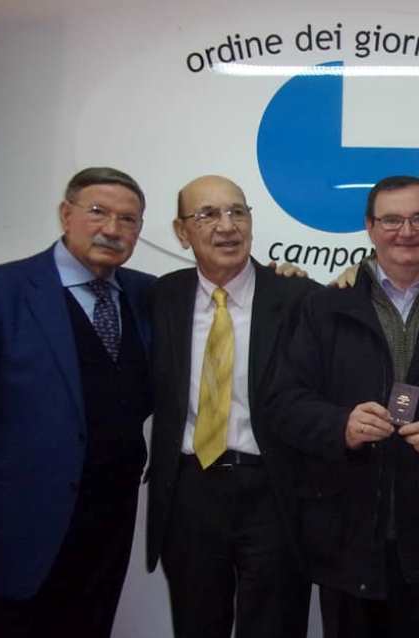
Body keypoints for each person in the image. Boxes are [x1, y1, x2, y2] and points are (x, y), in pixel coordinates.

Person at [265, 175, 419, 638]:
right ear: (370, 227)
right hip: (346, 530)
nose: (407, 232)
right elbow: (284, 401)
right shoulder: (323, 305)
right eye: (392, 220)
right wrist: (340, 425)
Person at [0, 167, 155, 637]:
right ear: (65, 214)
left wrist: (285, 277)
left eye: (128, 219)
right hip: (16, 541)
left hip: (108, 532)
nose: (112, 229)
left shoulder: (148, 295)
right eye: (97, 212)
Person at [146, 175, 317, 638]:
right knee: (196, 624)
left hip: (274, 491)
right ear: (182, 232)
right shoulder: (162, 297)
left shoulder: (299, 297)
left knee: (276, 625)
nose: (227, 226)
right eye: (208, 215)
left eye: (237, 212)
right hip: (189, 491)